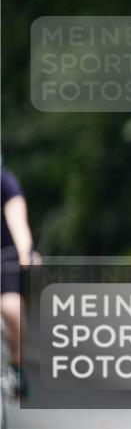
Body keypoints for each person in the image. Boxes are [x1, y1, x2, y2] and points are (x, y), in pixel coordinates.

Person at [1, 161, 34, 398]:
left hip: (5, 256)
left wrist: (25, 251)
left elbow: (17, 220)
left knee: (11, 309)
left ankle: (17, 364)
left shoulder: (6, 181)